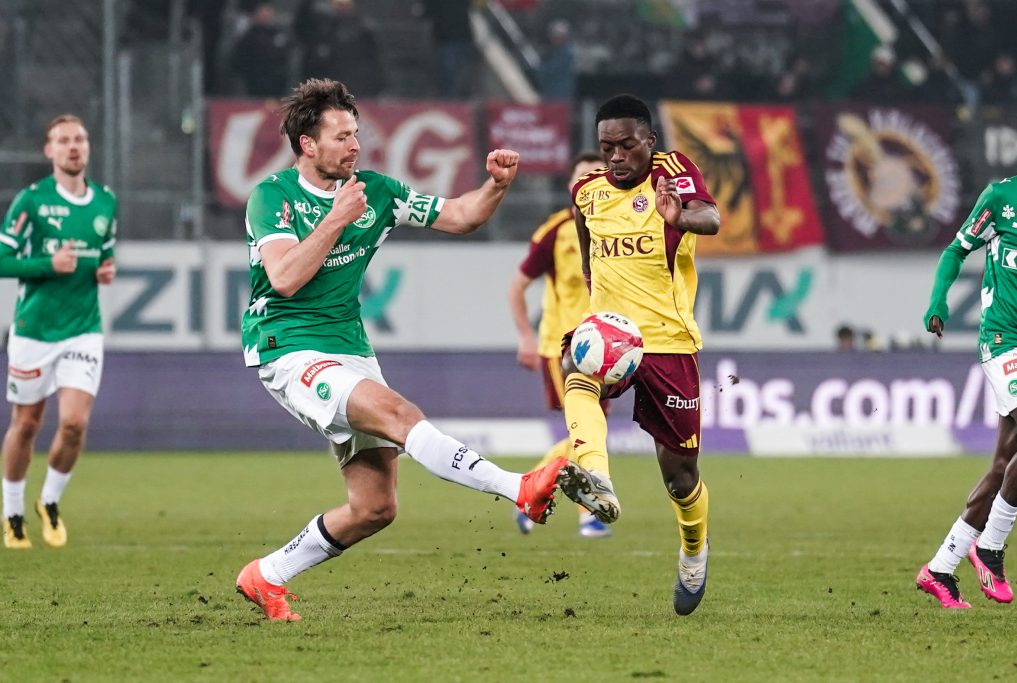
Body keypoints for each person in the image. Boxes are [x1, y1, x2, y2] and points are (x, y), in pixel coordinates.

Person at [235, 78, 567, 621]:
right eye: (341, 137)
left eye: (355, 134)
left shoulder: (375, 191)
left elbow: (460, 215)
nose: (354, 146)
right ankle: (519, 487)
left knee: (375, 507)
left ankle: (266, 576)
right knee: (399, 413)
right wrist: (337, 218)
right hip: (287, 348)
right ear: (307, 145)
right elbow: (286, 278)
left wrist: (495, 186)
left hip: (349, 348)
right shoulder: (272, 197)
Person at [555, 94, 720, 615]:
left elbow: (711, 218)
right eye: (607, 147)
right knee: (573, 366)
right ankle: (597, 476)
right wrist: (591, 281)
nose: (616, 156)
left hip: (668, 342)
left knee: (680, 476)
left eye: (626, 145)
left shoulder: (673, 171)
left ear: (649, 140)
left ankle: (694, 548)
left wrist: (680, 217)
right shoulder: (587, 191)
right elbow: (584, 231)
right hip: (609, 333)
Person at [1, 114, 117, 550]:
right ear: (49, 150)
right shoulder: (31, 201)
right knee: (26, 424)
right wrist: (46, 265)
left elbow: (104, 255)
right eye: (64, 140)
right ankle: (13, 512)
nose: (73, 146)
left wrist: (106, 270)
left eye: (79, 139)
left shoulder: (105, 201)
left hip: (83, 329)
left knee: (73, 424)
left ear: (88, 147)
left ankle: (49, 501)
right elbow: (2, 259)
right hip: (33, 330)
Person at [916, 172, 1017, 608]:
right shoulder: (1002, 196)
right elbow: (956, 249)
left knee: (1003, 465)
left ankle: (940, 568)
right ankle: (990, 548)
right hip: (1004, 339)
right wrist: (938, 299)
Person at [509, 151, 610, 539]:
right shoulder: (555, 232)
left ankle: (529, 492)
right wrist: (526, 336)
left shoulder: (621, 228)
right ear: (571, 186)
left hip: (607, 348)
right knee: (587, 429)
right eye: (583, 175)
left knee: (590, 431)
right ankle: (589, 514)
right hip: (565, 347)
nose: (590, 181)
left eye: (598, 174)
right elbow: (517, 286)